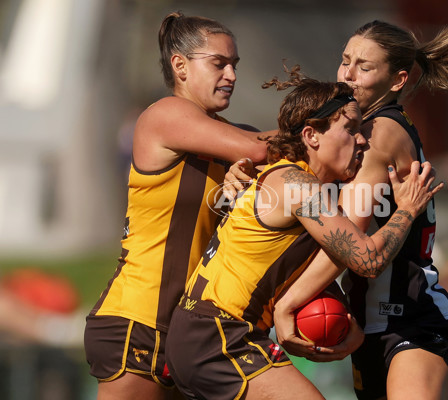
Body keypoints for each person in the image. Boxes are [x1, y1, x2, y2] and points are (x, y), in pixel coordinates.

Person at [227, 18, 448, 400]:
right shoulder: (352, 131)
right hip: (366, 321)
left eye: (365, 67)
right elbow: (281, 150)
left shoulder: (378, 135)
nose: (348, 74)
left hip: (413, 318)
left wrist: (287, 305)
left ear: (398, 81)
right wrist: (238, 169)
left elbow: (352, 249)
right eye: (345, 60)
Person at [165, 73, 442, 400]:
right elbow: (368, 260)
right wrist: (407, 209)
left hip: (206, 334)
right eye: (351, 129)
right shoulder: (298, 185)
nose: (363, 141)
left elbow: (288, 266)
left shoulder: (292, 178)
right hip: (218, 337)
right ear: (311, 135)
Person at [83, 12, 269, 400]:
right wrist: (327, 124)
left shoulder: (223, 137)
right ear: (180, 65)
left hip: (188, 334)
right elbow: (260, 147)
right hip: (139, 321)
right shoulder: (167, 114)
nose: (231, 75)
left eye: (234, 65)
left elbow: (267, 146)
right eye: (219, 63)